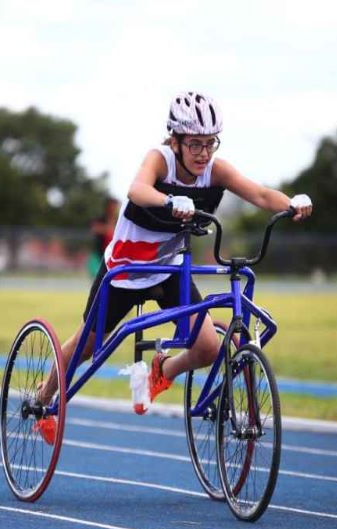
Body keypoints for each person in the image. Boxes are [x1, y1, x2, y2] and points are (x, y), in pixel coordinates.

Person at [34, 92, 312, 442]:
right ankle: (44, 401)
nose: (204, 153)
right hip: (124, 272)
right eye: (195, 144)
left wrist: (292, 204)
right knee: (85, 347)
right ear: (176, 140)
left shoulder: (216, 170)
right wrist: (169, 200)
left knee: (209, 348)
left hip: (169, 273)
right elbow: (136, 189)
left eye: (210, 143)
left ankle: (162, 369)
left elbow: (258, 194)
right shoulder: (160, 160)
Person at [87, 197, 119, 279]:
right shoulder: (100, 219)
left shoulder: (118, 221)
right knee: (97, 279)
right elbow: (94, 228)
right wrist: (108, 229)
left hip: (114, 256)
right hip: (99, 255)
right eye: (112, 206)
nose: (114, 209)